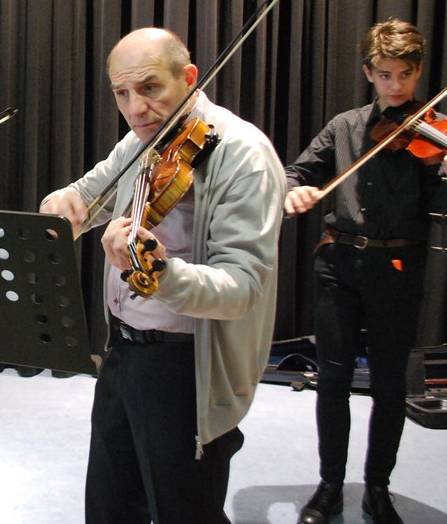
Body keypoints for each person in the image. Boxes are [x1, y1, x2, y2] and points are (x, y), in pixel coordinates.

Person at [40, 28, 285, 524]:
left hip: (186, 367)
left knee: (184, 511)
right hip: (123, 351)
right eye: (122, 93)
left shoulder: (244, 154)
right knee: (109, 507)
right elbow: (83, 195)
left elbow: (244, 288)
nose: (136, 108)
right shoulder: (140, 142)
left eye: (150, 88)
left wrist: (162, 274)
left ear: (189, 78)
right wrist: (61, 206)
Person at [285, 18, 447, 524]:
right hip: (339, 263)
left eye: (405, 75)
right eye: (384, 75)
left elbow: (443, 211)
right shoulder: (345, 126)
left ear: (418, 72)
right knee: (333, 378)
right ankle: (330, 485)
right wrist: (295, 190)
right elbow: (296, 172)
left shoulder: (437, 133)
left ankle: (378, 487)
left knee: (390, 384)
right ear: (368, 73)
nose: (395, 86)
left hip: (399, 267)